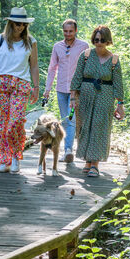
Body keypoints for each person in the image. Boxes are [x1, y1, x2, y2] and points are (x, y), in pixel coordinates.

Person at [0, 7, 40, 173]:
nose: (20, 27)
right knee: (0, 125)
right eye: (17, 23)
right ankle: (4, 160)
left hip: (21, 84)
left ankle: (16, 156)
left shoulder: (31, 41)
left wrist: (36, 87)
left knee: (15, 122)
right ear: (10, 23)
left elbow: (34, 65)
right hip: (0, 83)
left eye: (23, 24)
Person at [69, 25, 125, 177]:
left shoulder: (114, 60)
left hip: (105, 97)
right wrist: (73, 98)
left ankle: (95, 164)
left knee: (99, 128)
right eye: (96, 39)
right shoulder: (86, 55)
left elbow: (118, 83)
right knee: (84, 127)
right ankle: (87, 161)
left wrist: (120, 105)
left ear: (108, 41)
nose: (98, 43)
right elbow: (77, 77)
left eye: (102, 40)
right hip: (85, 96)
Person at [42, 19, 89, 162]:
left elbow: (87, 69)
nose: (68, 34)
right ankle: (66, 150)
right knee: (64, 119)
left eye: (70, 31)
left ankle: (69, 150)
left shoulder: (84, 46)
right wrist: (47, 90)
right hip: (61, 89)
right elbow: (52, 68)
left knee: (71, 118)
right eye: (65, 31)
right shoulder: (57, 46)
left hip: (76, 90)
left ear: (75, 31)